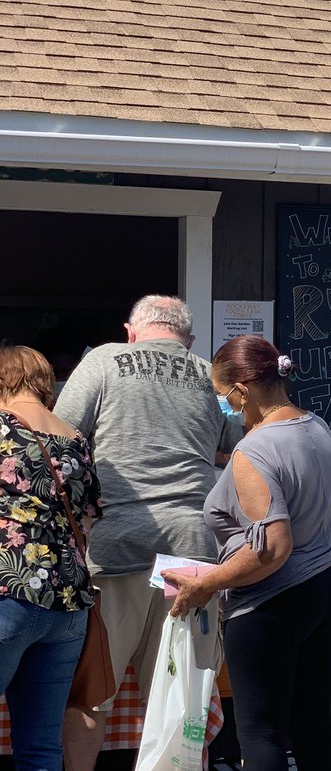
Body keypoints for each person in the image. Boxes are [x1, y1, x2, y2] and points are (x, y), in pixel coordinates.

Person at [55, 295, 239, 769]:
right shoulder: (208, 374)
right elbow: (234, 446)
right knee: (185, 696)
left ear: (130, 330)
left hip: (115, 548)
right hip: (193, 554)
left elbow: (60, 438)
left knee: (92, 694)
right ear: (189, 339)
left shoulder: (104, 359)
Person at [163, 335, 331, 771]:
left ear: (242, 390)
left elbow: (271, 548)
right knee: (313, 718)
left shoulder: (254, 449)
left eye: (222, 397)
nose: (224, 408)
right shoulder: (317, 426)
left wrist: (205, 584)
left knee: (261, 730)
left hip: (277, 600)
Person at [0, 346, 101, 771]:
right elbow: (90, 518)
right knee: (41, 747)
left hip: (9, 588)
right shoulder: (74, 438)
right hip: (68, 604)